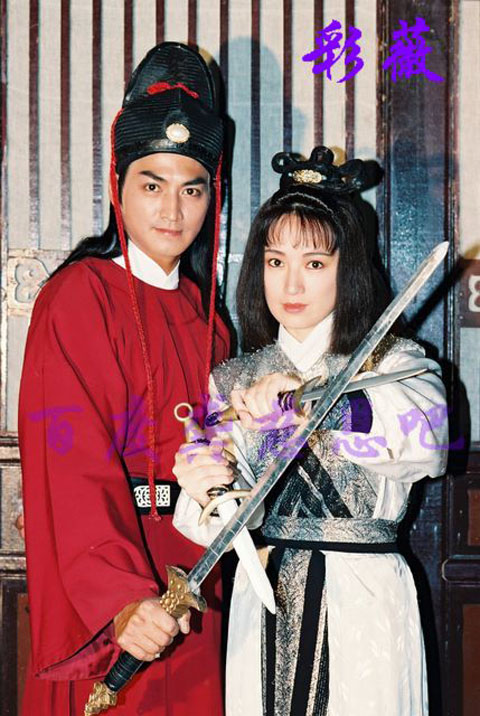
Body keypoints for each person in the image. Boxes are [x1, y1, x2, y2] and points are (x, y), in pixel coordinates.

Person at [172, 147, 448, 716]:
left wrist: (307, 405)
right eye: (276, 261)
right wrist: (206, 487)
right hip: (265, 595)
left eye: (315, 264)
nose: (291, 283)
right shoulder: (234, 379)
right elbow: (224, 522)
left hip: (363, 599)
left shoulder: (397, 364)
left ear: (349, 269)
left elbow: (428, 444)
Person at [18, 42, 230, 715]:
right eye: (152, 184)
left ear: (213, 196)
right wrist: (122, 599)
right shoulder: (78, 298)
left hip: (195, 582)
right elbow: (70, 465)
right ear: (119, 184)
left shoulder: (211, 322)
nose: (173, 210)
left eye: (192, 188)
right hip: (111, 599)